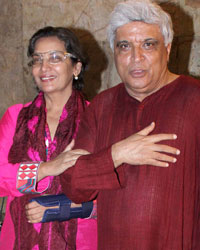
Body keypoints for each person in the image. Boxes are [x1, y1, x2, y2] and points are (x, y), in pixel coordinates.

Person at [58, 0, 200, 249]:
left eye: (148, 44)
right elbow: (75, 186)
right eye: (125, 46)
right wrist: (117, 153)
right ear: (115, 52)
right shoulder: (102, 106)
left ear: (167, 49)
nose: (136, 57)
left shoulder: (195, 98)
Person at [0, 26, 97, 250]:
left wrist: (61, 207)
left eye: (55, 58)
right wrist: (44, 169)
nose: (44, 67)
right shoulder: (16, 117)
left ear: (76, 67)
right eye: (37, 60)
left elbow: (114, 191)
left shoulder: (97, 119)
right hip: (19, 239)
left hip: (80, 241)